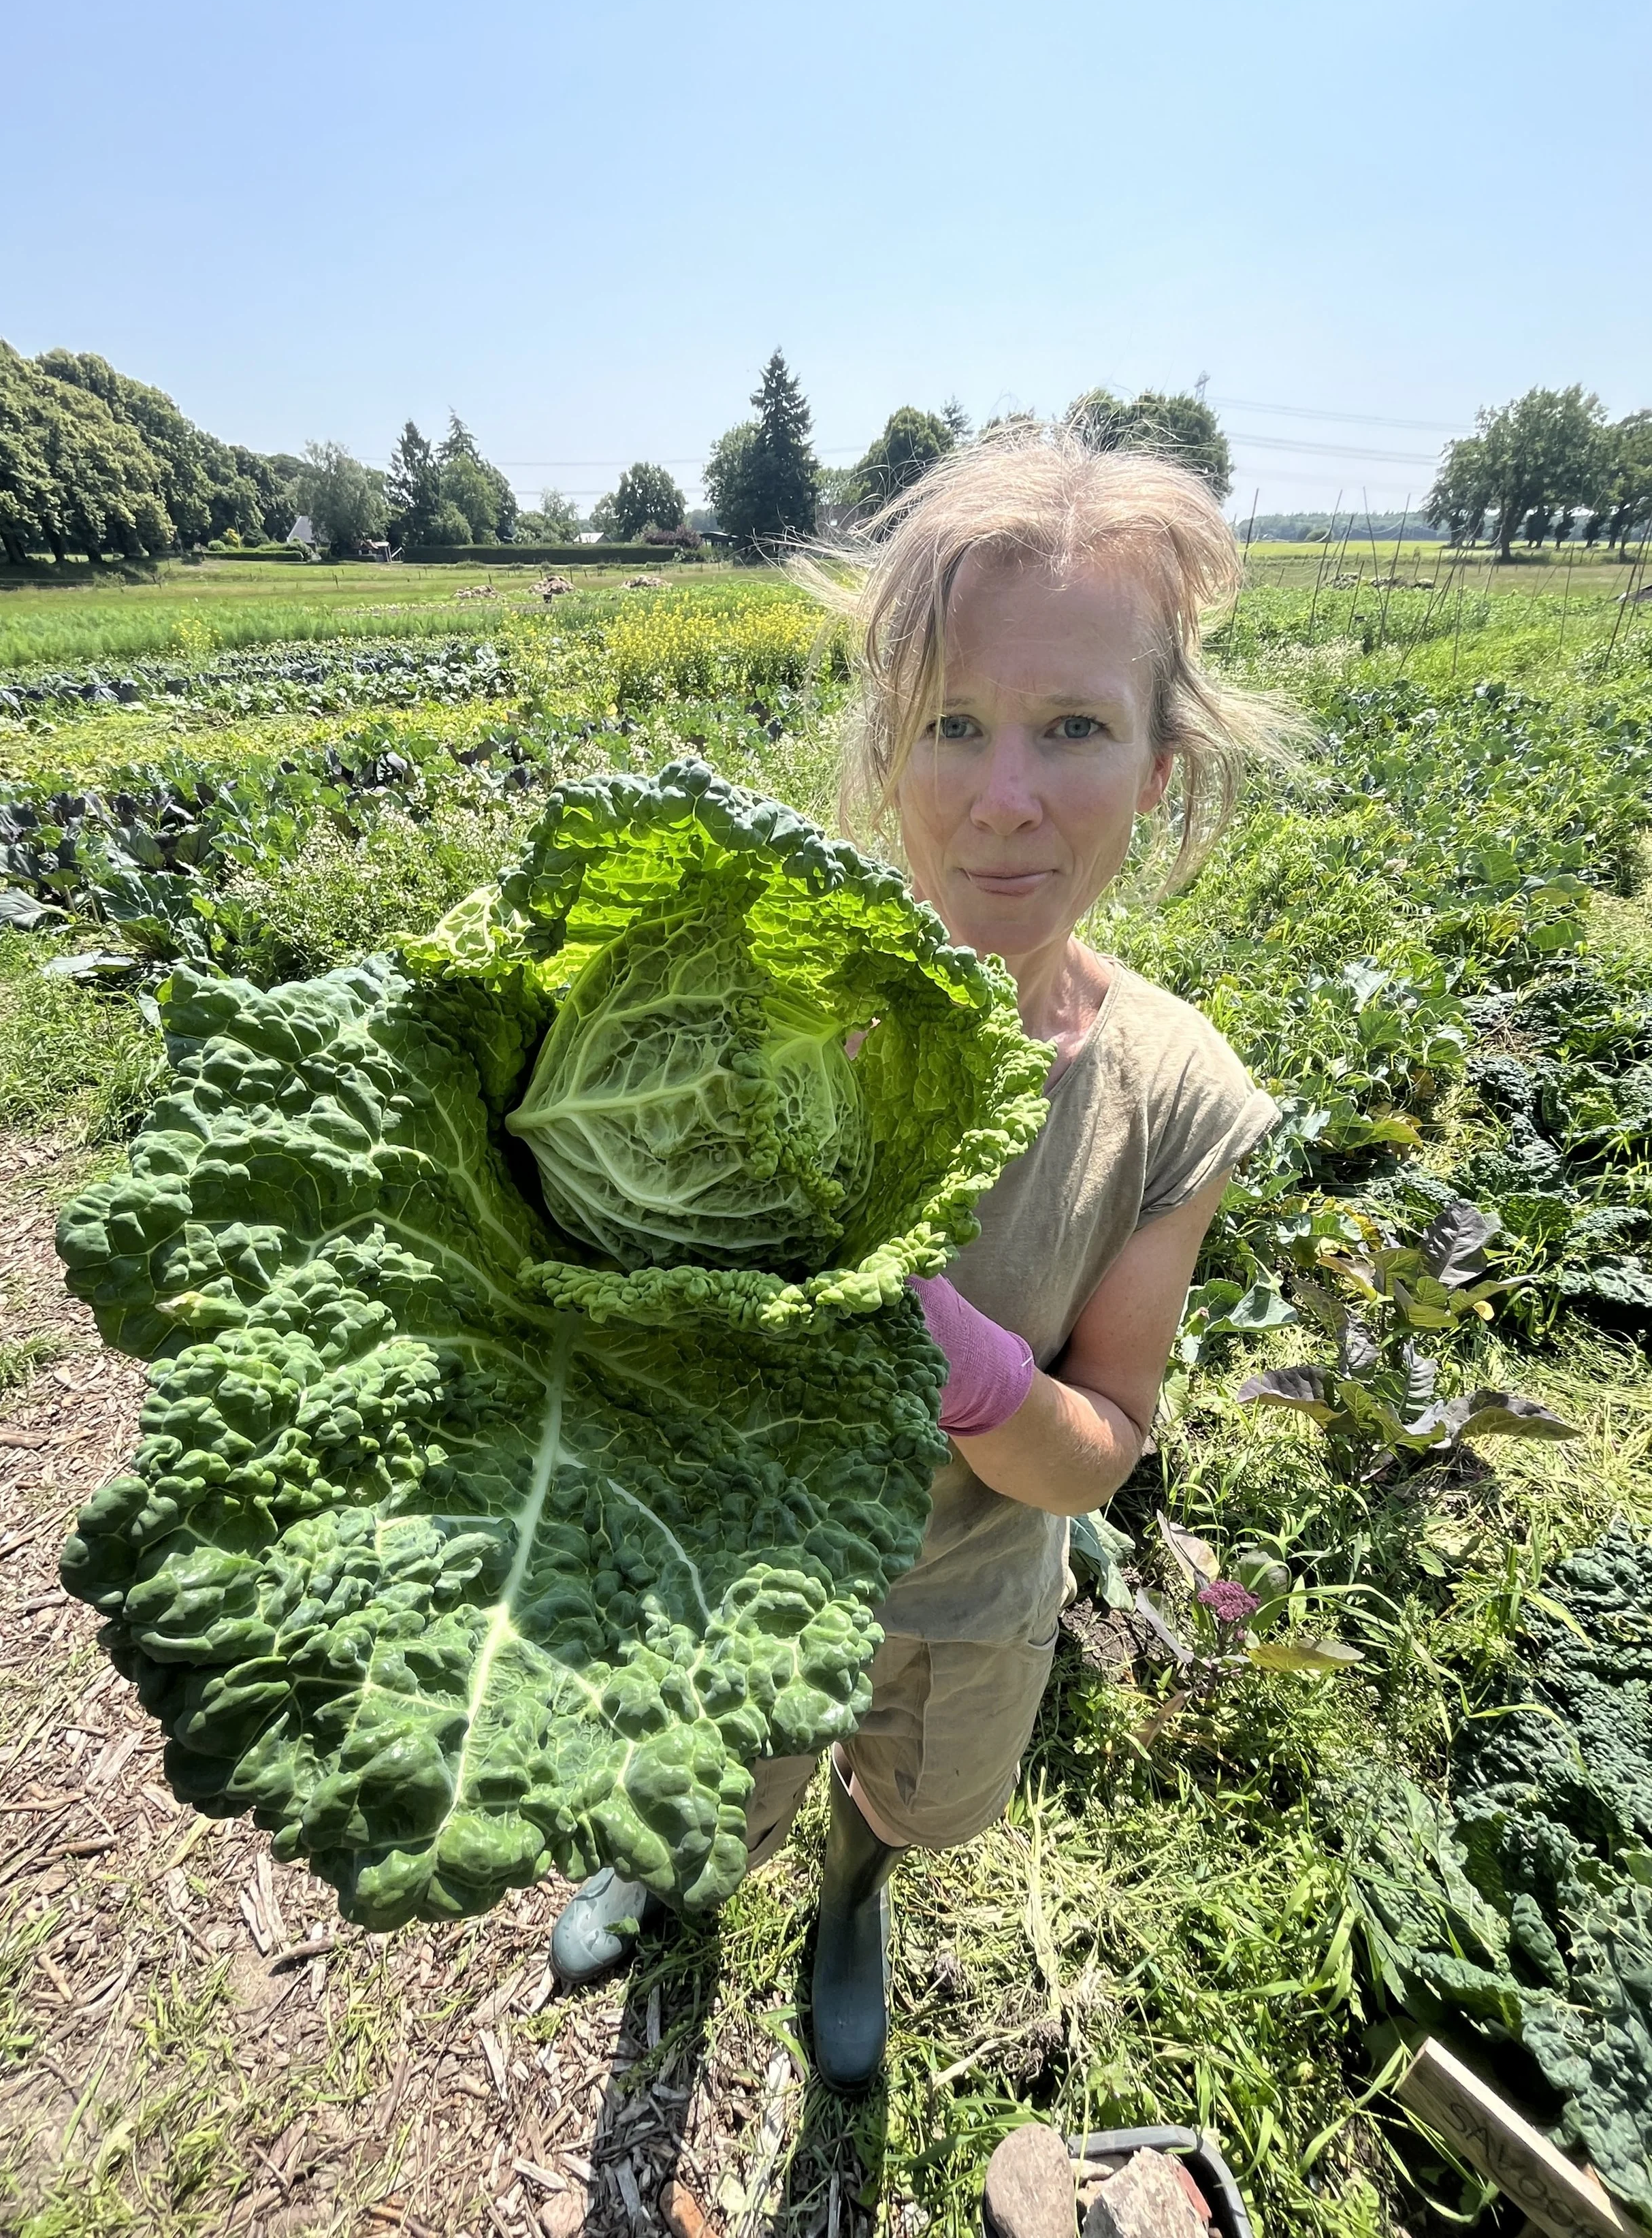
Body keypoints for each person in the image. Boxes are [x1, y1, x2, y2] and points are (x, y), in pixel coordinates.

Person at [549, 426, 1291, 2092]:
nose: (1002, 794)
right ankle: (673, 1867)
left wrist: (972, 1369)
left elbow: (1097, 1452)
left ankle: (852, 1893)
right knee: (702, 1778)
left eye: (1074, 727)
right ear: (889, 746)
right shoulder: (733, 1008)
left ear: (1159, 764)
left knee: (908, 1784)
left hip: (960, 1590)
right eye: (952, 721)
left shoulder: (1170, 1093)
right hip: (721, 1567)